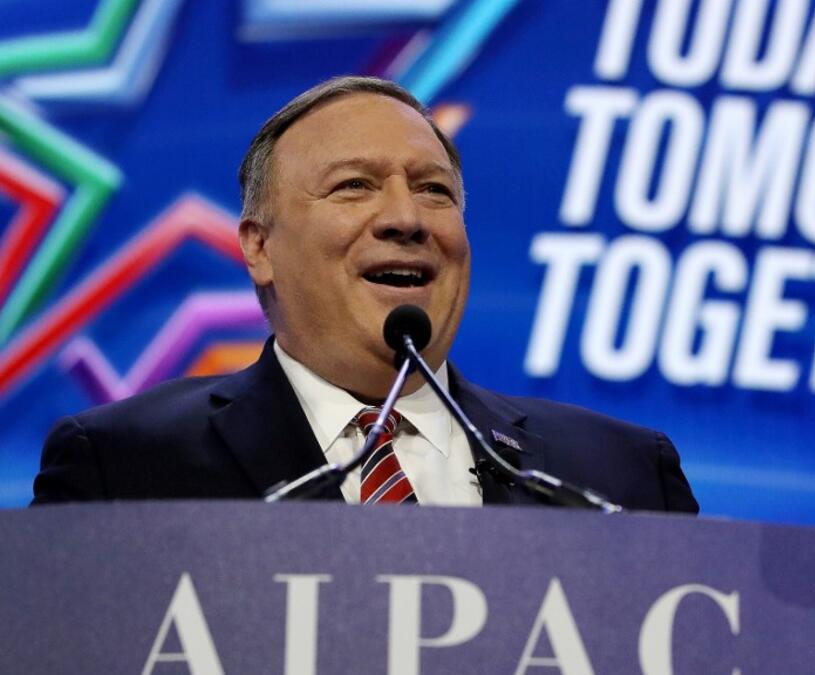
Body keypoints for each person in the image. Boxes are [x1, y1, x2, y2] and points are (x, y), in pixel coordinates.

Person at [31, 76, 698, 512]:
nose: (406, 217)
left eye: (434, 189)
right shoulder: (123, 471)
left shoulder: (623, 478)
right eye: (354, 185)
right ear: (259, 247)